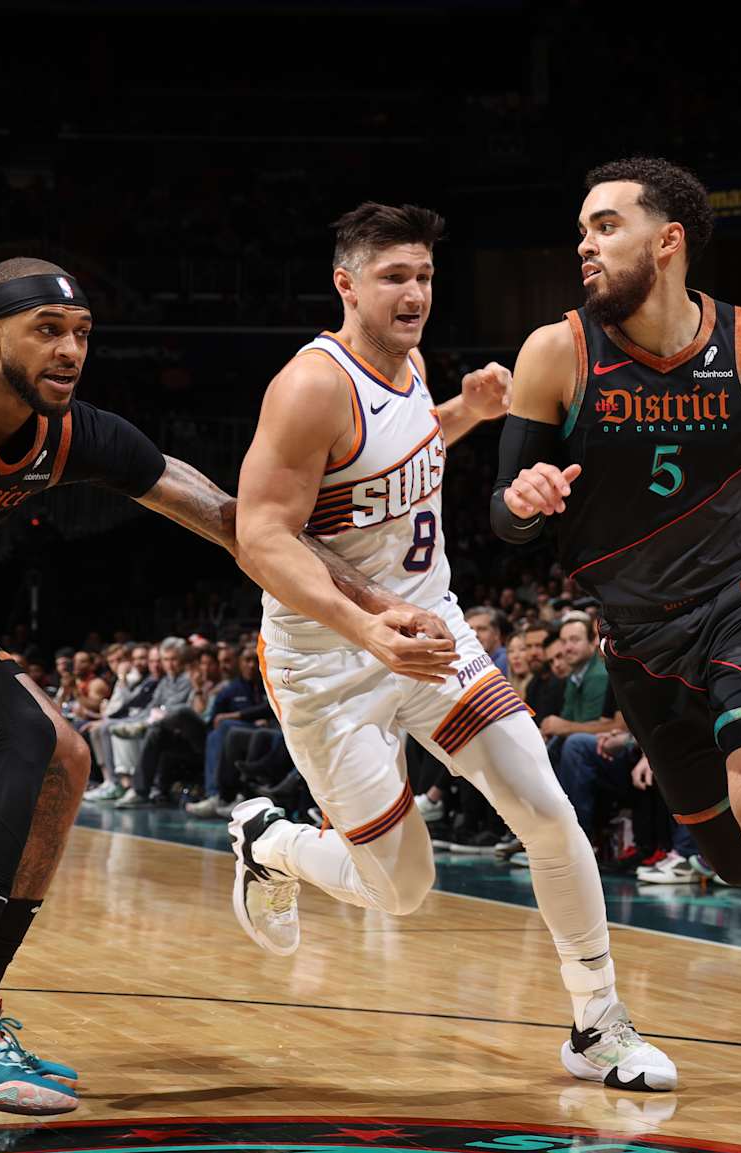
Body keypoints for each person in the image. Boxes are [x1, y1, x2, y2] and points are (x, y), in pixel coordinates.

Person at [0, 258, 400, 1115]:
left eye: (83, 335)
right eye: (48, 332)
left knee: (63, 760)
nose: (71, 351)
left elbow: (231, 518)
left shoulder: (73, 435)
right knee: (12, 731)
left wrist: (370, 605)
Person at [491, 157, 741, 1145]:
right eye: (582, 231)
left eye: (605, 226)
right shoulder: (558, 352)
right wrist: (519, 502)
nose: (585, 246)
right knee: (726, 857)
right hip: (638, 641)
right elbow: (503, 513)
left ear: (667, 239)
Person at [231, 203, 675, 1092]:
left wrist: (461, 415)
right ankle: (267, 843)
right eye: (394, 277)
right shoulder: (310, 385)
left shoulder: (407, 366)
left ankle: (598, 1026)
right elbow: (261, 535)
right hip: (330, 663)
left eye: (426, 277)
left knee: (549, 814)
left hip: (435, 633)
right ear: (346, 283)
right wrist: (365, 630)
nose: (415, 294)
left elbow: (389, 454)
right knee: (401, 889)